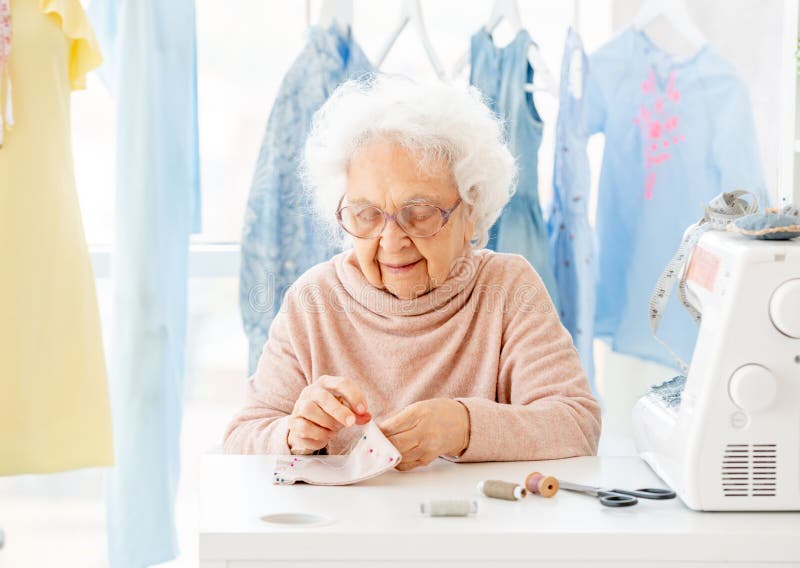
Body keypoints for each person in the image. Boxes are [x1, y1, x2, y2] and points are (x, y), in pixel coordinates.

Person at [225, 76, 600, 470]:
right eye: (366, 215)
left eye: (419, 215)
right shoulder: (314, 300)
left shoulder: (507, 288)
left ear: (470, 211)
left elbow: (577, 424)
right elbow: (241, 437)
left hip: (476, 528)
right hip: (342, 530)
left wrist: (464, 426)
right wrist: (293, 434)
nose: (391, 241)